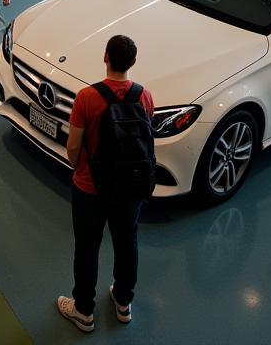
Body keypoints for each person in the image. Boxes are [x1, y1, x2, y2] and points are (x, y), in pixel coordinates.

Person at [57, 35, 154, 334]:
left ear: (105, 57)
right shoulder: (144, 96)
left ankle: (84, 310)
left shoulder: (87, 97)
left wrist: (78, 167)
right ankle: (123, 302)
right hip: (130, 186)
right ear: (133, 62)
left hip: (91, 187)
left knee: (87, 247)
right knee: (127, 240)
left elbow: (74, 147)